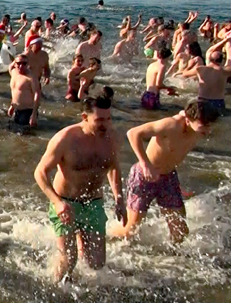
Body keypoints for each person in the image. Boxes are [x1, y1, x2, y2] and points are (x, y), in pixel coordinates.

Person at [34, 95, 124, 282]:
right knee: (69, 260)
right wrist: (57, 203)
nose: (105, 125)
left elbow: (113, 167)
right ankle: (54, 288)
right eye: (100, 120)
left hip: (93, 203)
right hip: (66, 204)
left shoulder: (112, 138)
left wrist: (119, 197)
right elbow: (40, 172)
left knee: (97, 264)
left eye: (108, 119)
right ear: (85, 117)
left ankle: (84, 289)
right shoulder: (66, 139)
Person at [110, 100, 220, 243]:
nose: (208, 131)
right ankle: (108, 237)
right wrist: (145, 164)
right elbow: (133, 133)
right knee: (130, 230)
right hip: (145, 176)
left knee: (180, 231)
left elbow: (191, 113)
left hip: (168, 177)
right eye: (203, 126)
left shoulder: (197, 126)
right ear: (188, 120)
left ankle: (173, 255)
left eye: (210, 126)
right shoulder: (170, 125)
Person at [180, 34, 231, 115]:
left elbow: (184, 73)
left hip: (202, 101)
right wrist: (228, 46)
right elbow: (229, 58)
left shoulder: (200, 69)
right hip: (217, 102)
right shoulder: (225, 71)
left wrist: (189, 68)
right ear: (221, 60)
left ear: (209, 59)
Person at [8, 55, 40, 128]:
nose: (21, 66)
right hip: (16, 110)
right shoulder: (13, 72)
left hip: (27, 111)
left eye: (24, 63)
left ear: (27, 64)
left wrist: (34, 114)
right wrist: (12, 106)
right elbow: (15, 91)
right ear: (15, 64)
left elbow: (37, 94)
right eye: (19, 63)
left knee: (24, 133)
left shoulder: (31, 77)